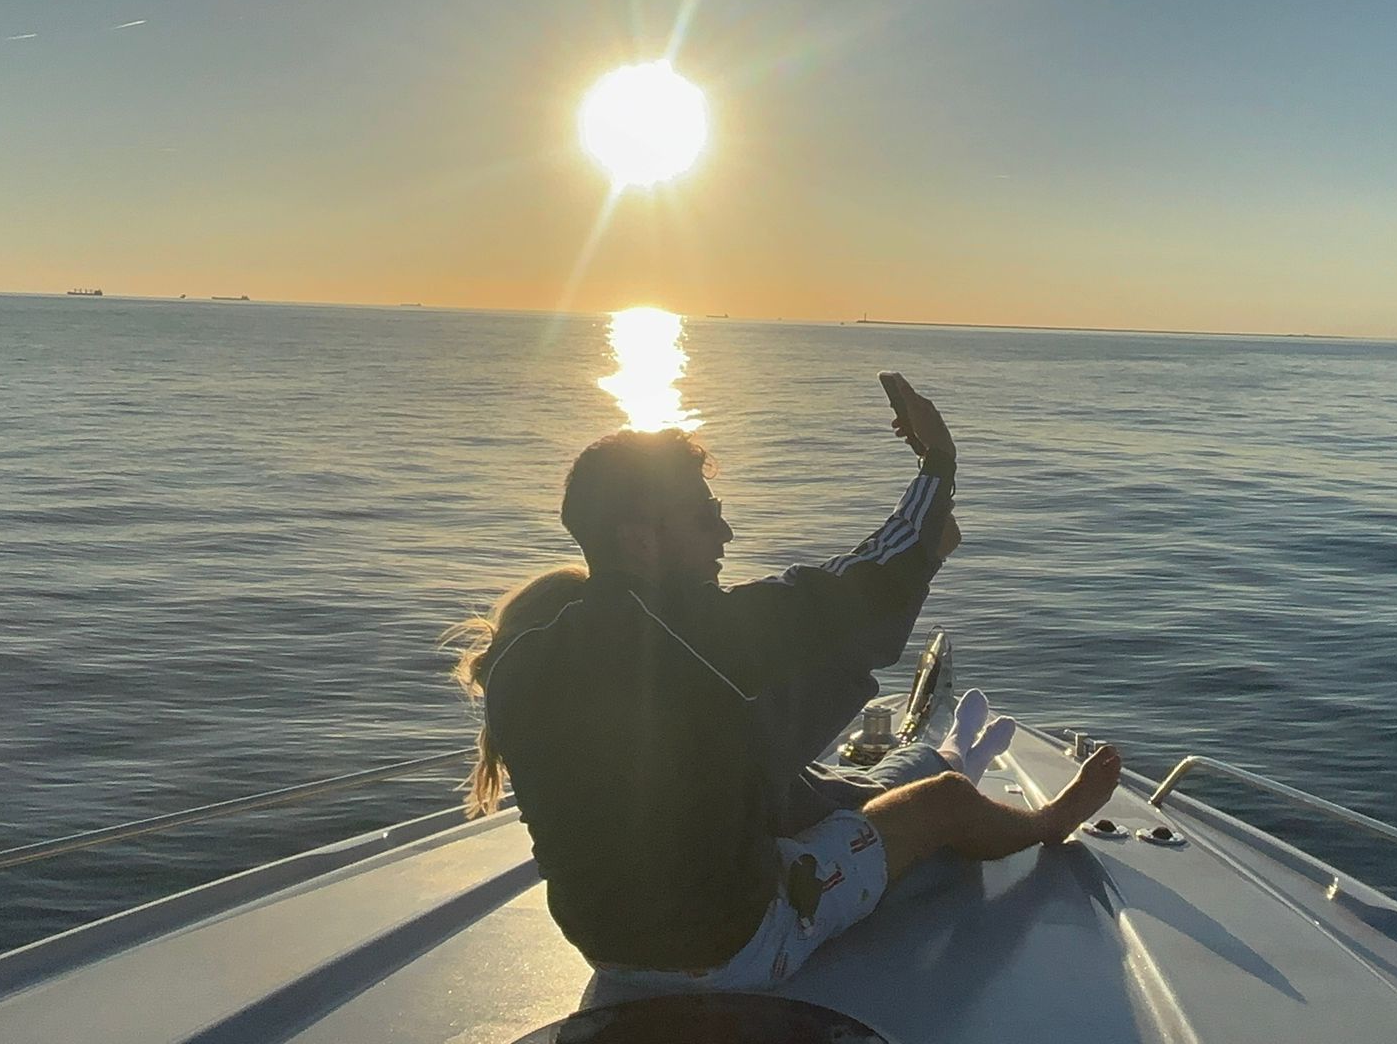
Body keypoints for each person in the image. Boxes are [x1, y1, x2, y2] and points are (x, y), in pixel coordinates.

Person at [450, 372, 1121, 999]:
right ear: (640, 542)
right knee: (940, 802)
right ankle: (1047, 821)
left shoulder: (517, 664)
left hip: (606, 953)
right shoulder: (705, 637)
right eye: (704, 515)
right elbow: (865, 582)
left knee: (803, 801)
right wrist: (938, 464)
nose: (726, 531)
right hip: (735, 950)